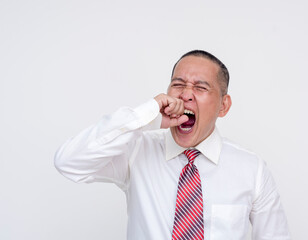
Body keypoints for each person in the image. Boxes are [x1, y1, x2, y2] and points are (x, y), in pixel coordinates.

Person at [55, 50, 291, 240]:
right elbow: (69, 162)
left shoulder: (252, 170)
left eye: (200, 87)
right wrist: (148, 116)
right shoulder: (136, 150)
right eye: (178, 84)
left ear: (223, 106)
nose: (186, 94)